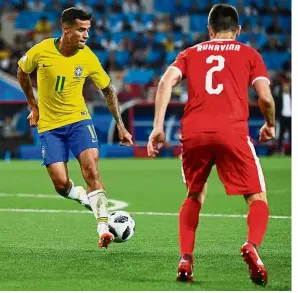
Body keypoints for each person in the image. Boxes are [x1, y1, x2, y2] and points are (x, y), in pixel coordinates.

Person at [147, 4, 275, 286]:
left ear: (209, 30)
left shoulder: (190, 53)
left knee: (194, 196)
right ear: (238, 30)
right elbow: (265, 98)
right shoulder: (249, 54)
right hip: (232, 132)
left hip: (194, 133)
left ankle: (186, 259)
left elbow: (166, 81)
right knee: (257, 198)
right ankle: (252, 245)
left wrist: (157, 127)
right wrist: (270, 124)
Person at [17, 7, 133, 249]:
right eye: (81, 30)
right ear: (66, 29)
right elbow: (22, 71)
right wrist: (33, 105)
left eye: (88, 30)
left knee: (91, 171)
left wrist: (120, 126)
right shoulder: (42, 51)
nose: (86, 35)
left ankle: (103, 227)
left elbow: (108, 90)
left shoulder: (88, 56)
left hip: (79, 120)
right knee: (60, 184)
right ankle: (83, 197)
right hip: (50, 126)